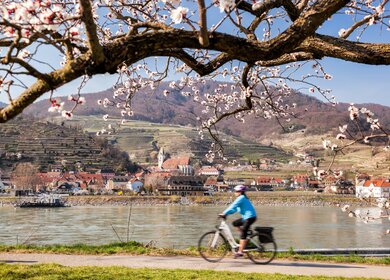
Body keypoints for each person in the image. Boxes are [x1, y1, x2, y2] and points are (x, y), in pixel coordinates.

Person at [219, 184, 257, 258]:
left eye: (236, 191)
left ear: (240, 192)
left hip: (250, 217)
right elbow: (234, 209)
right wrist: (227, 214)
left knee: (243, 234)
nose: (235, 192)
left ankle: (240, 252)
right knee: (235, 223)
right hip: (246, 217)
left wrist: (224, 213)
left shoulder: (241, 198)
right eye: (235, 191)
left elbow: (233, 206)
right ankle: (245, 236)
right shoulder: (242, 198)